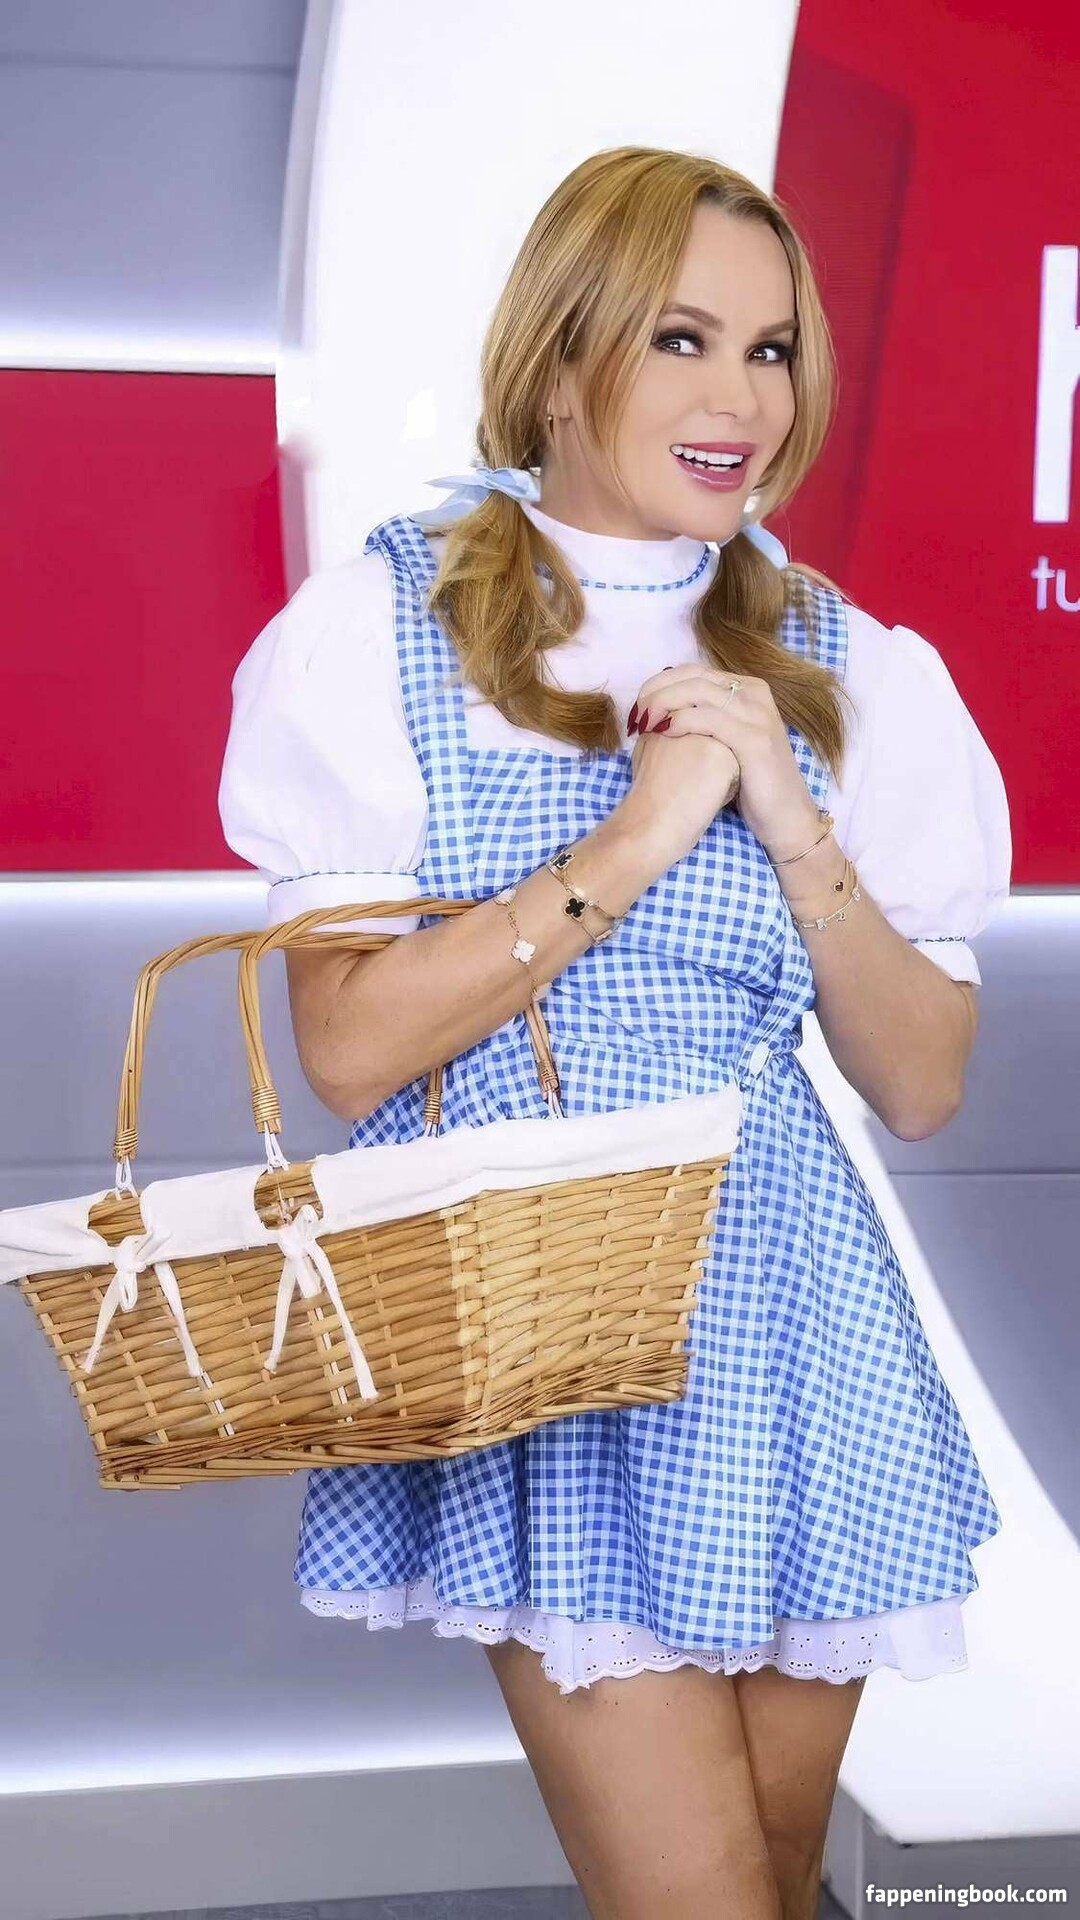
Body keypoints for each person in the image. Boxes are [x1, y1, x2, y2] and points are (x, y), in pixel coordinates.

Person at [219, 147, 1011, 1920]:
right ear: (565, 353)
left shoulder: (851, 660)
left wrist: (788, 820)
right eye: (683, 339)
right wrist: (638, 838)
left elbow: (922, 1079)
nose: (743, 399)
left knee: (776, 1883)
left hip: (791, 1318)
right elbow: (347, 1054)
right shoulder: (389, 624)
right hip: (548, 1320)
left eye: (774, 349)